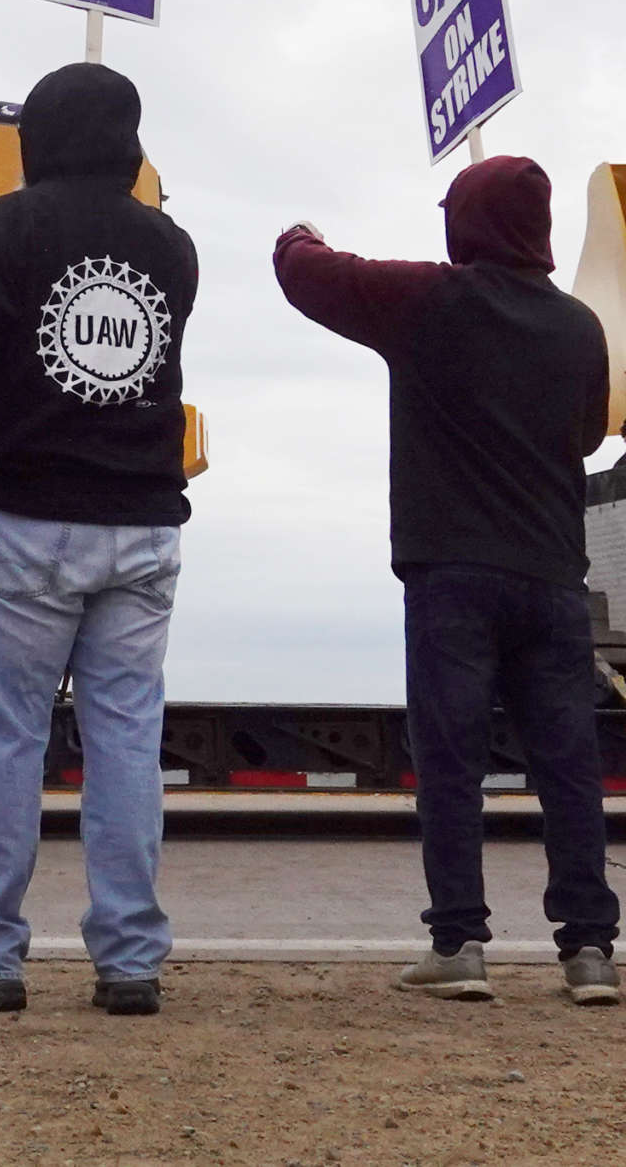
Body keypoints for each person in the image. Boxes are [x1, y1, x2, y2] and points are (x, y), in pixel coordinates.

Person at [0, 64, 197, 1016]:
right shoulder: (172, 248)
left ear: (37, 137)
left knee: (6, 741)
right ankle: (131, 960)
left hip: (26, 524)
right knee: (128, 744)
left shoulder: (9, 229)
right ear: (128, 139)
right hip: (144, 528)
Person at [275, 156, 620, 1005]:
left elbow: (307, 274)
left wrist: (298, 232)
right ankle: (590, 955)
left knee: (452, 759)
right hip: (551, 578)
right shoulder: (581, 329)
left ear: (464, 218)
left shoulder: (428, 301)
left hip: (451, 575)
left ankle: (460, 943)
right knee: (568, 765)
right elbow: (582, 438)